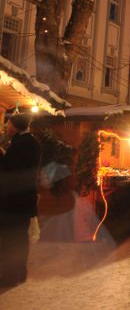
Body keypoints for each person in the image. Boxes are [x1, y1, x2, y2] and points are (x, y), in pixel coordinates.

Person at [0, 114, 42, 289]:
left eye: (8, 124)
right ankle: (18, 274)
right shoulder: (28, 142)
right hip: (22, 199)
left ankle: (11, 276)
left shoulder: (22, 144)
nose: (6, 128)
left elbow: (9, 169)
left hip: (15, 201)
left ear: (15, 126)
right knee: (18, 238)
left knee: (12, 239)